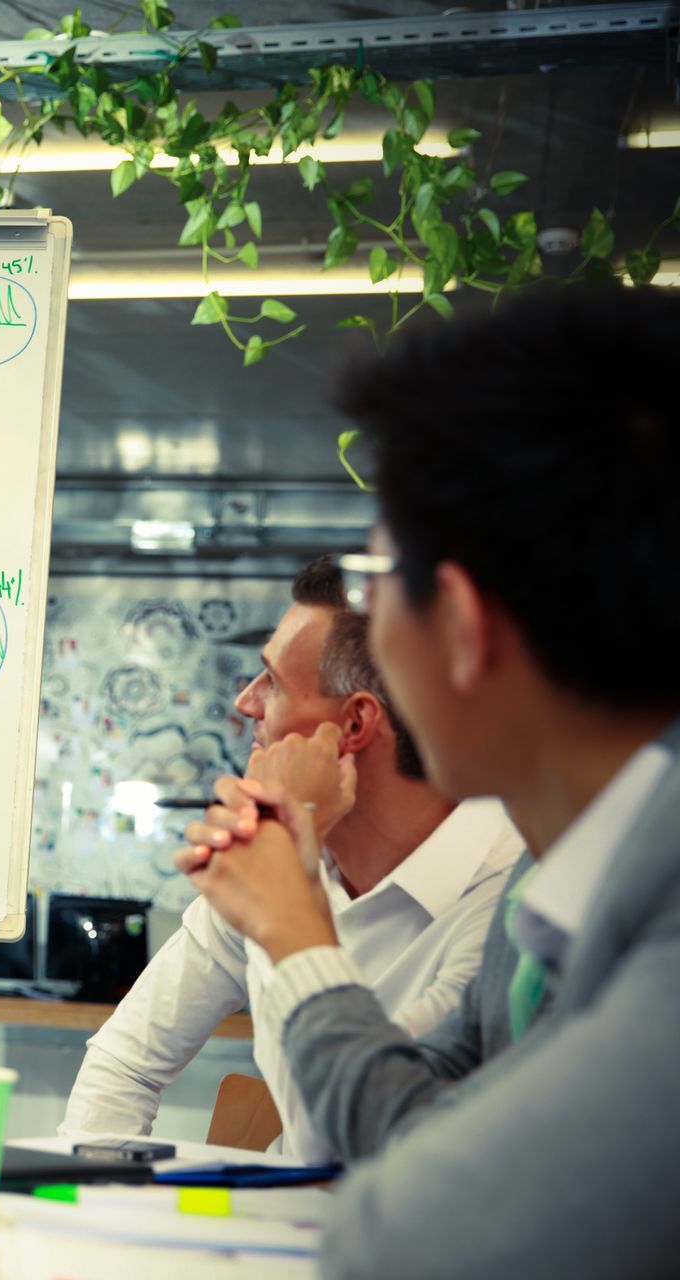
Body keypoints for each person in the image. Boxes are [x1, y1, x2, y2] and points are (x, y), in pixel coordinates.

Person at [175, 284, 680, 1279]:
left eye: (374, 580)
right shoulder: (552, 887)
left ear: (459, 622)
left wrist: (298, 933)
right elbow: (422, 1121)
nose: (249, 705)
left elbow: (415, 1226)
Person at [62, 557, 522, 1159]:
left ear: (353, 724)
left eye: (272, 681)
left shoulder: (507, 901)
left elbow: (337, 1135)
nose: (246, 702)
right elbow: (127, 1061)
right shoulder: (275, 853)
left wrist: (286, 885)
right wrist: (97, 1200)